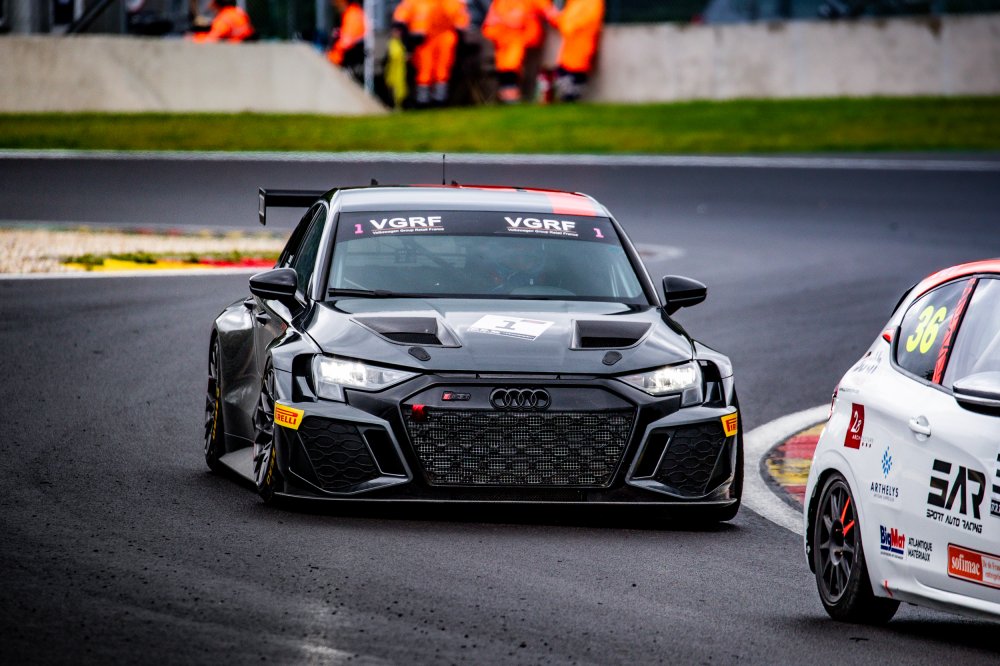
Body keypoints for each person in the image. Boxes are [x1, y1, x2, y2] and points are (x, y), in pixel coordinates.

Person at [393, 0, 470, 107]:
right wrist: (407, 37)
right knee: (424, 69)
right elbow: (400, 18)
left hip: (444, 36)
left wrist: (460, 35)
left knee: (442, 68)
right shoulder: (414, 2)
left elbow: (461, 19)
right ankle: (422, 100)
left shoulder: (450, 2)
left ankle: (440, 99)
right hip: (423, 40)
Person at [481, 0, 555, 103]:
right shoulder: (501, 3)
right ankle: (509, 92)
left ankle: (515, 92)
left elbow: (550, 13)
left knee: (515, 63)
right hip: (507, 41)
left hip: (525, 40)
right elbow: (492, 23)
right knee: (508, 63)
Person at [549, 0, 603, 102]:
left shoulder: (589, 4)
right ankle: (568, 94)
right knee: (565, 72)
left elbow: (569, 24)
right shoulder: (576, 3)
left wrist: (556, 17)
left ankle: (571, 94)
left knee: (574, 73)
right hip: (572, 48)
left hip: (580, 45)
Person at [327, 0, 366, 71]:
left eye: (335, 1)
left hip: (347, 64)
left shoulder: (353, 15)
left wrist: (329, 56)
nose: (333, 4)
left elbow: (346, 43)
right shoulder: (350, 13)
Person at [190, 0, 254, 43]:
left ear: (215, 4)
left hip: (238, 45)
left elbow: (211, 39)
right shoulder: (236, 12)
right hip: (246, 42)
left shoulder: (223, 18)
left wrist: (194, 38)